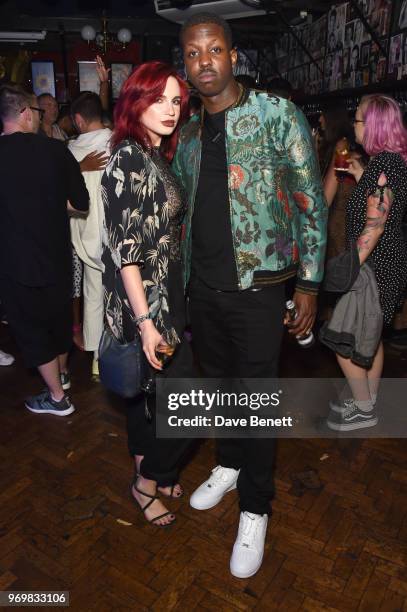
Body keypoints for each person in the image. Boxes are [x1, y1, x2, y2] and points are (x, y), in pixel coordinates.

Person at [172, 12, 327, 578]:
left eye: (214, 49)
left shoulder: (274, 113)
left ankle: (256, 507)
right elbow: (183, 213)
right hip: (203, 289)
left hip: (261, 287)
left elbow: (310, 196)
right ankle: (229, 464)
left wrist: (308, 282)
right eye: (193, 53)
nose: (204, 61)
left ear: (233, 57)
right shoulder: (187, 135)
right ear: (184, 63)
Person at [101, 61, 193, 527]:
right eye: (159, 98)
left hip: (167, 292)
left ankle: (152, 465)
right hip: (147, 302)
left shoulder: (155, 153)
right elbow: (126, 253)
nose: (170, 109)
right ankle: (147, 481)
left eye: (176, 100)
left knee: (151, 392)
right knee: (187, 393)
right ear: (135, 101)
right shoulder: (129, 158)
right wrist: (145, 323)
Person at [0, 84, 89, 415]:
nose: (39, 118)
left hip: (15, 264)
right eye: (37, 112)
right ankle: (62, 378)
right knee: (58, 324)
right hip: (56, 258)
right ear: (25, 113)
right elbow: (81, 203)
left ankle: (57, 397)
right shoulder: (55, 151)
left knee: (31, 330)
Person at [326, 95, 407, 431]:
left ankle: (363, 408)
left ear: (373, 125)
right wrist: (362, 174)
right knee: (370, 338)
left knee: (342, 337)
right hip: (385, 264)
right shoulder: (386, 164)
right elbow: (377, 203)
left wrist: (349, 268)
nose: (354, 124)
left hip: (374, 267)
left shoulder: (385, 169)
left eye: (358, 119)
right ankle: (367, 402)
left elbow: (374, 226)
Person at [69, 92, 112, 376]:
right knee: (124, 295)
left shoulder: (71, 151)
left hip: (86, 234)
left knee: (94, 294)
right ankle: (123, 351)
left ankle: (98, 358)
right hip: (118, 234)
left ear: (79, 120)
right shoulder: (120, 142)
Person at [318, 99, 357, 259]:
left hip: (339, 225)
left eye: (323, 115)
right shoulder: (339, 144)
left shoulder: (342, 146)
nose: (320, 119)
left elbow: (325, 197)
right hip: (338, 223)